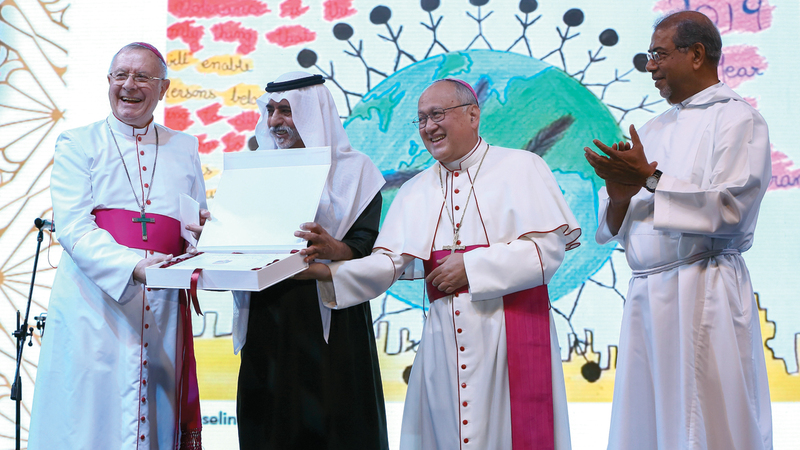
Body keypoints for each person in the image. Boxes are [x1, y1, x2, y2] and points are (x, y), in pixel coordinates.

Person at [306, 78, 579, 449]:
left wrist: (472, 266)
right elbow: (389, 263)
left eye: (437, 115)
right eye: (421, 119)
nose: (428, 127)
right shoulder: (414, 189)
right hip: (442, 341)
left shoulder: (522, 167)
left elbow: (547, 251)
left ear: (473, 115)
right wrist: (327, 272)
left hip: (506, 332)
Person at [584, 11, 773, 450]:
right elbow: (618, 223)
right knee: (645, 425)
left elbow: (732, 209)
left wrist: (650, 179)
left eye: (659, 54)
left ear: (697, 54)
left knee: (704, 424)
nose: (650, 66)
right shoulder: (651, 129)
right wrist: (619, 195)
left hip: (702, 288)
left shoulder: (739, 120)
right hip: (645, 296)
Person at [28, 43, 208, 449]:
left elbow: (193, 223)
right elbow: (74, 226)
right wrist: (133, 267)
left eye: (142, 77)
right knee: (88, 418)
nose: (129, 85)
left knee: (154, 417)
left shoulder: (185, 147)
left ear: (163, 88)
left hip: (161, 305)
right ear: (108, 81)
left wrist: (204, 236)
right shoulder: (77, 142)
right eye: (121, 76)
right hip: (94, 304)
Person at [232, 71, 388, 450]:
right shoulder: (256, 169)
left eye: (286, 111)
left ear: (313, 113)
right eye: (270, 111)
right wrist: (220, 232)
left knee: (334, 416)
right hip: (269, 311)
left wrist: (334, 249)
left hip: (332, 312)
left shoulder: (357, 171)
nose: (274, 121)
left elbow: (367, 246)